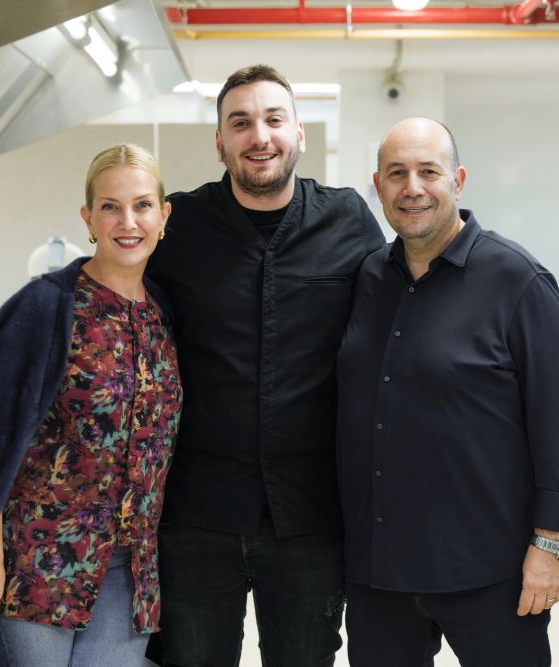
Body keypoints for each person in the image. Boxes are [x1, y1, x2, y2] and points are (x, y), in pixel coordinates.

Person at [143, 64, 384, 667]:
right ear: (219, 141)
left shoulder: (348, 219)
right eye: (241, 122)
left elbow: (395, 328)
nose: (260, 136)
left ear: (299, 132)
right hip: (197, 513)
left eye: (274, 119)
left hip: (310, 514)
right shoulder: (178, 226)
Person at [335, 116, 559, 667]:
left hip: (489, 571)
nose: (413, 188)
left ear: (459, 180)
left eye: (429, 171)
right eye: (396, 174)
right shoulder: (367, 278)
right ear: (377, 186)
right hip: (380, 574)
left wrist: (551, 545)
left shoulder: (517, 279)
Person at [0, 144, 182, 666]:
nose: (128, 222)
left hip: (128, 571)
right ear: (88, 218)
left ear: (163, 215)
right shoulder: (45, 306)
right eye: (110, 207)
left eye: (142, 205)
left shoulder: (165, 314)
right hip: (37, 565)